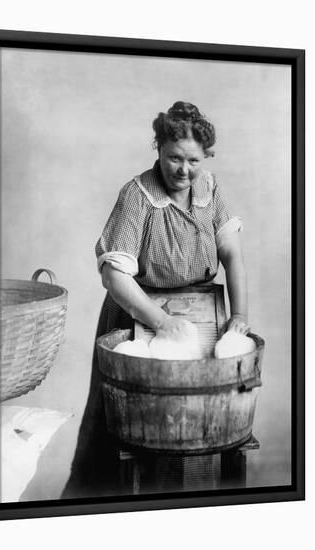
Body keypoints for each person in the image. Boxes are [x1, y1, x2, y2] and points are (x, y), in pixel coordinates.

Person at [62, 101, 249, 498]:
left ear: (206, 156)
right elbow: (114, 277)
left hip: (201, 312)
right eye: (173, 158)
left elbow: (231, 253)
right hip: (137, 313)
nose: (183, 170)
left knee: (199, 415)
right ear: (158, 149)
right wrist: (162, 324)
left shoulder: (209, 189)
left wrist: (239, 316)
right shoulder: (137, 196)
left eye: (193, 160)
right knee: (130, 427)